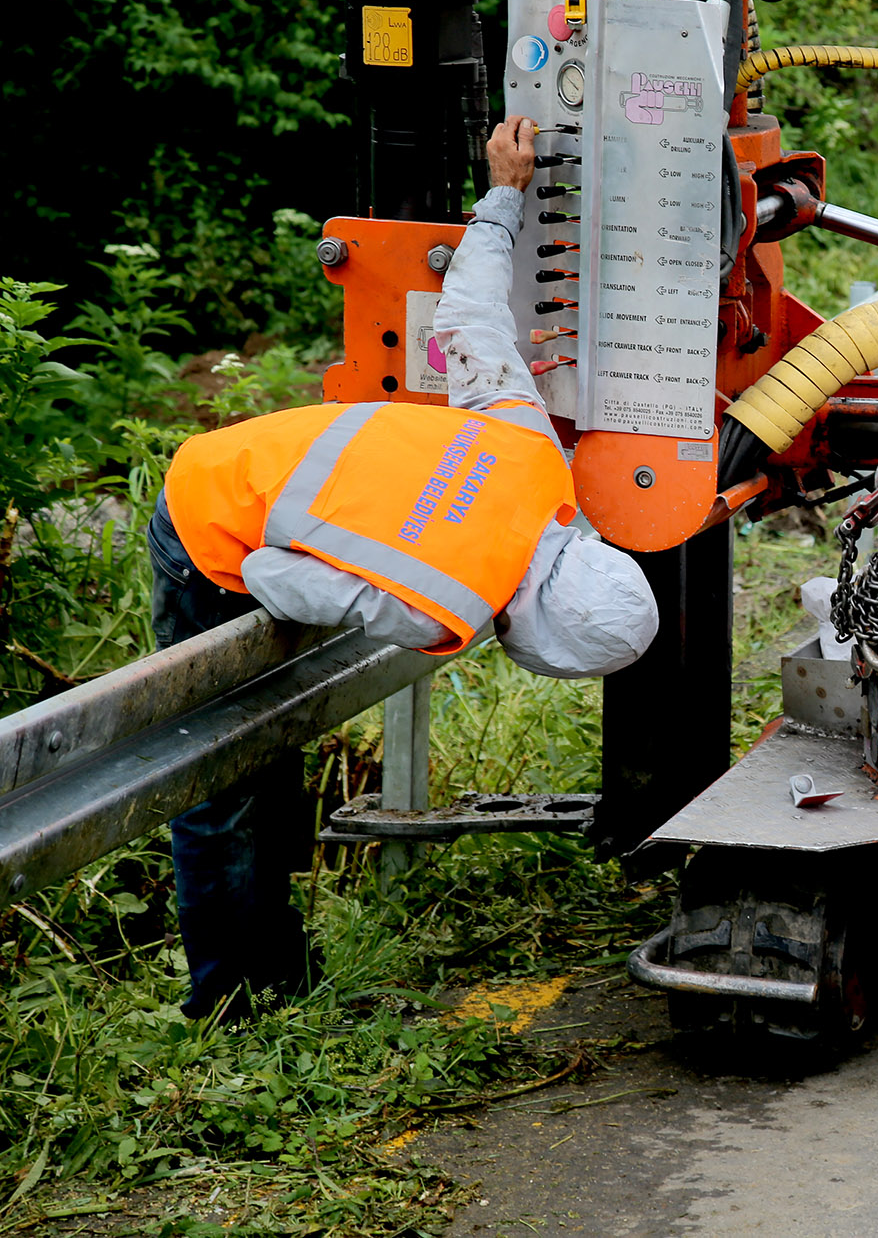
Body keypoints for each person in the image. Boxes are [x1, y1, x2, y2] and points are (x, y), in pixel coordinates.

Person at [149, 116, 659, 1020]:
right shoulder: (446, 615)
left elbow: (465, 314)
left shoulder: (538, 464)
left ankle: (275, 964)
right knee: (222, 777)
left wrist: (505, 190)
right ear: (541, 641)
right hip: (206, 526)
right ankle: (226, 1000)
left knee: (267, 752)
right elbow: (274, 573)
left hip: (243, 453)